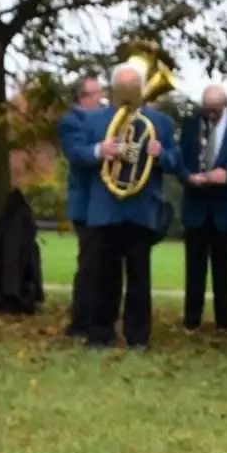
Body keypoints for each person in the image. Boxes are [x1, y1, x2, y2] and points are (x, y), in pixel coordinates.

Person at [78, 62, 180, 351]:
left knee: (139, 277)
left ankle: (138, 337)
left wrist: (160, 154)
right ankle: (100, 333)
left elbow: (176, 162)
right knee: (103, 277)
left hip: (141, 208)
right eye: (123, 86)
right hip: (105, 207)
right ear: (114, 89)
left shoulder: (159, 122)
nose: (128, 92)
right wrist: (102, 150)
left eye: (133, 86)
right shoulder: (95, 120)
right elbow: (77, 154)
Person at [178, 84, 227, 334]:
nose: (210, 116)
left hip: (225, 208)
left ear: (225, 105)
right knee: (194, 267)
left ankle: (223, 322)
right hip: (196, 206)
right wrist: (189, 177)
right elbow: (179, 161)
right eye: (207, 110)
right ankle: (191, 321)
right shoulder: (191, 125)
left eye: (215, 111)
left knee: (224, 269)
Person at [56, 74, 106, 338]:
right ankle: (81, 322)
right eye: (97, 93)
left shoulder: (105, 118)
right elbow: (77, 153)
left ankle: (100, 318)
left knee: (104, 265)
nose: (103, 98)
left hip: (106, 205)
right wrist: (102, 150)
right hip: (86, 206)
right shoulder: (71, 121)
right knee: (89, 265)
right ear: (83, 97)